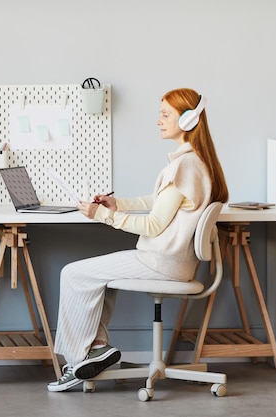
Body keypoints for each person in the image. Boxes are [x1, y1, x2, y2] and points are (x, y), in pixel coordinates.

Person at [47, 88, 229, 392]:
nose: (158, 120)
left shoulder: (185, 166)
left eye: (165, 114)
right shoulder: (195, 162)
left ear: (187, 120)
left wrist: (101, 215)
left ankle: (79, 359)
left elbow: (155, 223)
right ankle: (96, 348)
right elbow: (160, 200)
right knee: (94, 277)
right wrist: (118, 204)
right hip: (171, 262)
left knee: (73, 273)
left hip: (160, 262)